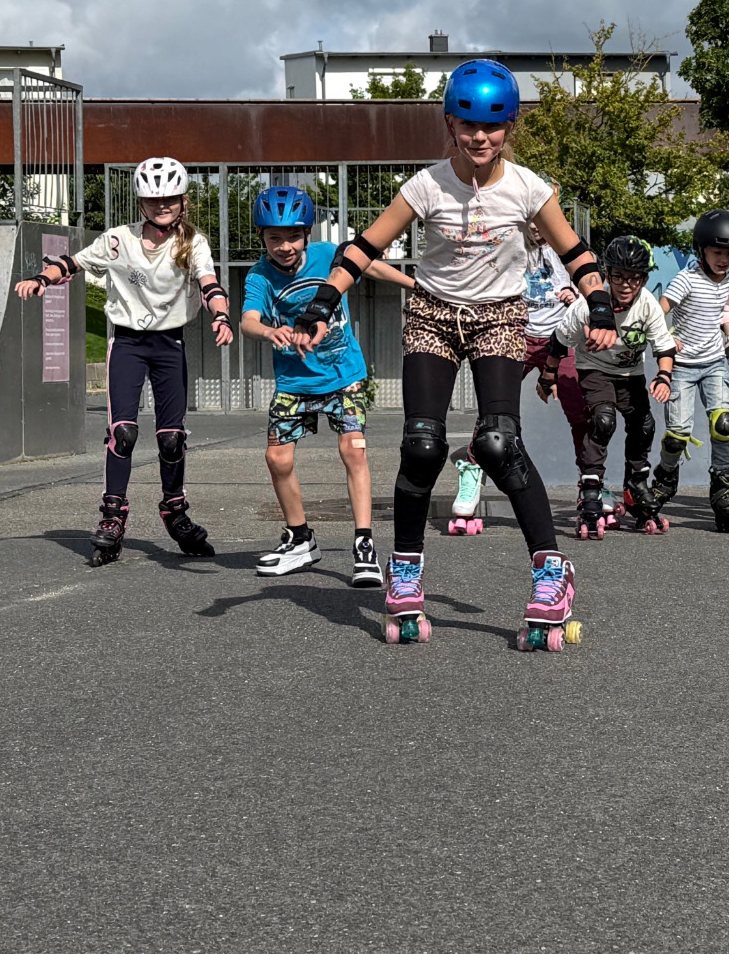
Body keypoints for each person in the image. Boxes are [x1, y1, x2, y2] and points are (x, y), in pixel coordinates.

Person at [288, 58, 615, 650]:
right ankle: (406, 571)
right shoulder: (426, 185)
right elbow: (364, 247)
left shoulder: (528, 188)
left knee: (498, 442)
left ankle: (551, 571)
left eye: (492, 127)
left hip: (499, 316)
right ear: (450, 124)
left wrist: (599, 305)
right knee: (422, 444)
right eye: (467, 126)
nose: (479, 138)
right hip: (433, 316)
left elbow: (575, 251)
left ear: (510, 127)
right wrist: (321, 303)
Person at [14, 155, 232, 566]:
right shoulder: (118, 240)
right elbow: (74, 263)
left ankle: (175, 510)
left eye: (169, 199)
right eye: (153, 200)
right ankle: (112, 516)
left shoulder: (193, 243)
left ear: (183, 201)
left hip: (169, 345)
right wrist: (42, 279)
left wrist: (219, 315)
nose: (162, 206)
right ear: (140, 203)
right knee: (123, 433)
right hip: (128, 344)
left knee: (172, 438)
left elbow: (209, 282)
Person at [240, 184, 414, 586]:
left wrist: (416, 287)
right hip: (294, 381)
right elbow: (248, 320)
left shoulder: (326, 255)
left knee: (353, 450)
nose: (285, 246)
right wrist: (268, 332)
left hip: (343, 375)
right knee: (277, 459)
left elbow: (369, 266)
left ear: (307, 233)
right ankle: (300, 539)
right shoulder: (260, 275)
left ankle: (364, 544)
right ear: (262, 237)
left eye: (293, 236)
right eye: (274, 238)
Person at [539, 235, 679, 538]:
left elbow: (664, 347)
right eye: (618, 277)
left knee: (644, 424)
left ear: (644, 279)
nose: (625, 285)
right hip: (595, 369)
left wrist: (664, 377)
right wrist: (548, 376)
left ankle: (635, 485)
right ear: (607, 274)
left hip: (630, 374)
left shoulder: (647, 304)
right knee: (603, 420)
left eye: (634, 278)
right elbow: (559, 342)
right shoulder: (589, 304)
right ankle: (591, 489)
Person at [655, 208, 729, 531]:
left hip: (714, 363)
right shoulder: (687, 279)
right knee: (677, 436)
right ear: (701, 250)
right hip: (681, 367)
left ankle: (722, 485)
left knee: (723, 424)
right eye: (717, 252)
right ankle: (665, 477)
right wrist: (666, 336)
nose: (724, 260)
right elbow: (659, 310)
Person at [520, 205, 602, 531]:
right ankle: (471, 471)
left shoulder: (565, 247)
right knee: (495, 406)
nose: (537, 227)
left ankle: (590, 480)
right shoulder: (511, 245)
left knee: (580, 410)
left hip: (560, 338)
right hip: (519, 335)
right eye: (531, 221)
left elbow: (592, 281)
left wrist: (576, 293)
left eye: (542, 220)